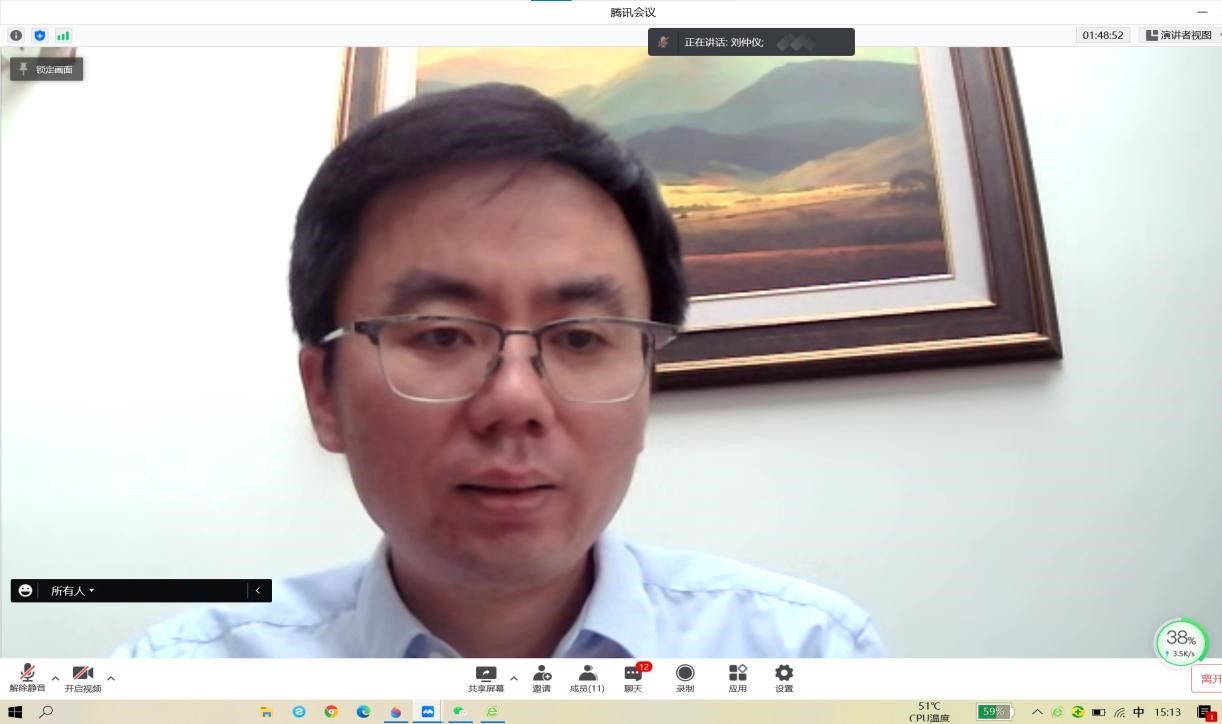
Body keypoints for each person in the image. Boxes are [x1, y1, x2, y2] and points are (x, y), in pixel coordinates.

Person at [112, 83, 886, 659]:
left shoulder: (803, 656)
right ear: (324, 395)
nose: (516, 399)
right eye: (442, 334)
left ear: (646, 384)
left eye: (580, 338)